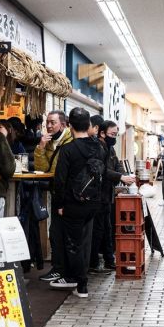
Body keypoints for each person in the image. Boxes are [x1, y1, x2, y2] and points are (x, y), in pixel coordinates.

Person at [52, 107, 105, 297]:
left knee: (73, 244)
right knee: (84, 242)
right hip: (93, 203)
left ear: (69, 126)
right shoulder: (98, 147)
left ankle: (80, 283)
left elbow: (60, 181)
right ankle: (76, 277)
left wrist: (59, 205)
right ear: (88, 125)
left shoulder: (68, 150)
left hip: (73, 204)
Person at [89, 120, 135, 273]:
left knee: (107, 229)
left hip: (107, 196)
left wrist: (124, 175)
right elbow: (102, 170)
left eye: (116, 134)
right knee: (97, 230)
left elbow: (117, 165)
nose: (114, 137)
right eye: (112, 134)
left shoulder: (110, 148)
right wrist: (120, 178)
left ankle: (109, 260)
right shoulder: (96, 148)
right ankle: (93, 263)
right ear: (101, 133)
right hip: (97, 196)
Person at [34, 110, 72, 282]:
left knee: (65, 233)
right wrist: (40, 148)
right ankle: (58, 269)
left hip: (69, 194)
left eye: (53, 122)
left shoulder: (71, 140)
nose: (49, 126)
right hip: (55, 192)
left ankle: (67, 271)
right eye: (47, 122)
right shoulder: (47, 141)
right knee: (55, 232)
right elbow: (42, 168)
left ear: (63, 124)